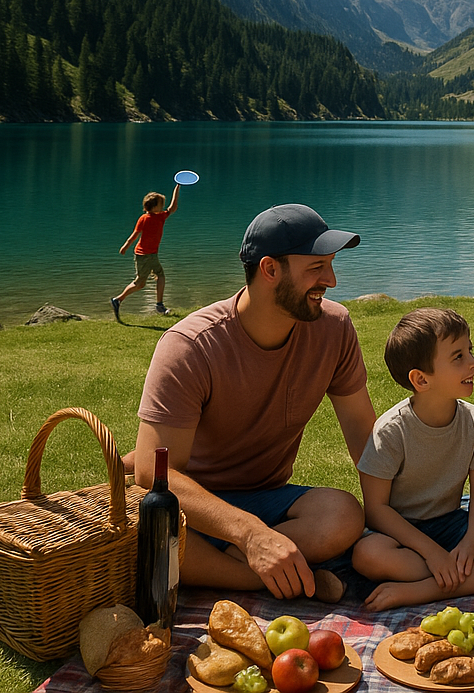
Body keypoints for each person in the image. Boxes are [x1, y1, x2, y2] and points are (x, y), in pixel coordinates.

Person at [134, 203, 376, 603]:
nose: (331, 281)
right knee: (154, 536)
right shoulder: (189, 347)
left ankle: (227, 569)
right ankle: (272, 577)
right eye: (316, 268)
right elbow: (151, 473)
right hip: (194, 504)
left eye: (330, 265)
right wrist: (251, 535)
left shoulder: (334, 328)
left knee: (343, 514)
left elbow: (365, 439)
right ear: (270, 270)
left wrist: (403, 522)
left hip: (267, 497)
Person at [351, 308, 474, 609]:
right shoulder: (391, 431)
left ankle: (421, 590)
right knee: (367, 555)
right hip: (402, 533)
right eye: (458, 357)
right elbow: (377, 510)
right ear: (421, 379)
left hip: (451, 524)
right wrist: (433, 554)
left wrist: (471, 544)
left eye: (469, 351)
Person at [111, 183, 181, 319]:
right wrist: (125, 246)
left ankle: (159, 305)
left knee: (160, 275)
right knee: (140, 283)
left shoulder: (160, 216)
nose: (163, 206)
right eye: (161, 204)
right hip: (143, 256)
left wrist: (177, 188)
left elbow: (173, 208)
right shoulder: (144, 219)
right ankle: (118, 300)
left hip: (152, 255)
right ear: (154, 206)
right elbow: (135, 235)